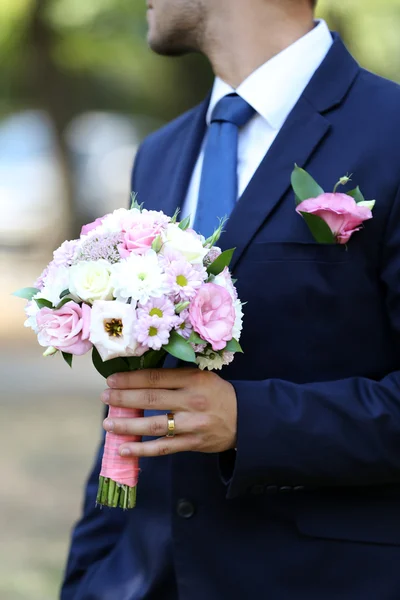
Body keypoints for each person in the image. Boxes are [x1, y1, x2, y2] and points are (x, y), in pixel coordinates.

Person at [62, 1, 400, 599]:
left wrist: (250, 420)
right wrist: (90, 572)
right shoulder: (160, 153)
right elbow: (130, 386)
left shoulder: (391, 131)